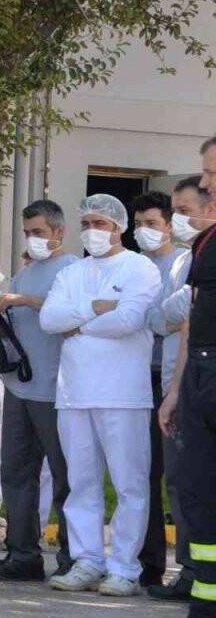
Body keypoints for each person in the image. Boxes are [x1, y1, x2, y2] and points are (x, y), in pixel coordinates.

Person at [41, 194, 161, 596]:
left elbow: (129, 319)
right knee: (81, 482)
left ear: (119, 227)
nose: (93, 230)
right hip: (74, 393)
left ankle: (124, 568)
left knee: (130, 484)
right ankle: (88, 560)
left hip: (123, 393)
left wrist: (77, 321)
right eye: (87, 223)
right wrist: (95, 307)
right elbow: (49, 319)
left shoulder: (139, 267)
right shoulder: (72, 272)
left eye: (101, 224)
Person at [0, 200, 78, 582]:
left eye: (39, 232)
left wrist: (22, 300)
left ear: (59, 232)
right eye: (27, 233)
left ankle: (75, 554)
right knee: (17, 474)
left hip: (57, 390)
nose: (32, 239)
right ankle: (23, 554)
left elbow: (70, 312)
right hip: (20, 387)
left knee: (66, 476)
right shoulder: (24, 274)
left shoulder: (72, 270)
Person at [160, 138, 216, 618]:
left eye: (213, 174)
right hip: (201, 375)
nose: (206, 182)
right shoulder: (206, 243)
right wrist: (177, 390)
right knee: (197, 494)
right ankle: (204, 596)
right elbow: (189, 322)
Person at [148, 176, 206, 603]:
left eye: (185, 209)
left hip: (197, 385)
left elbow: (182, 311)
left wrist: (181, 309)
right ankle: (191, 569)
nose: (179, 218)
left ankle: (197, 571)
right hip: (180, 382)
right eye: (176, 210)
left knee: (194, 482)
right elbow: (160, 317)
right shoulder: (181, 262)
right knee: (181, 483)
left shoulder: (199, 259)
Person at [129, 191, 182, 588]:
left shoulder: (184, 264)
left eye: (151, 223)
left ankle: (192, 569)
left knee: (179, 477)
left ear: (168, 225)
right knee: (142, 474)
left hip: (172, 379)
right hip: (134, 380)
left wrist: (144, 315)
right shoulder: (130, 267)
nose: (144, 231)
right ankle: (150, 566)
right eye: (138, 224)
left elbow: (167, 320)